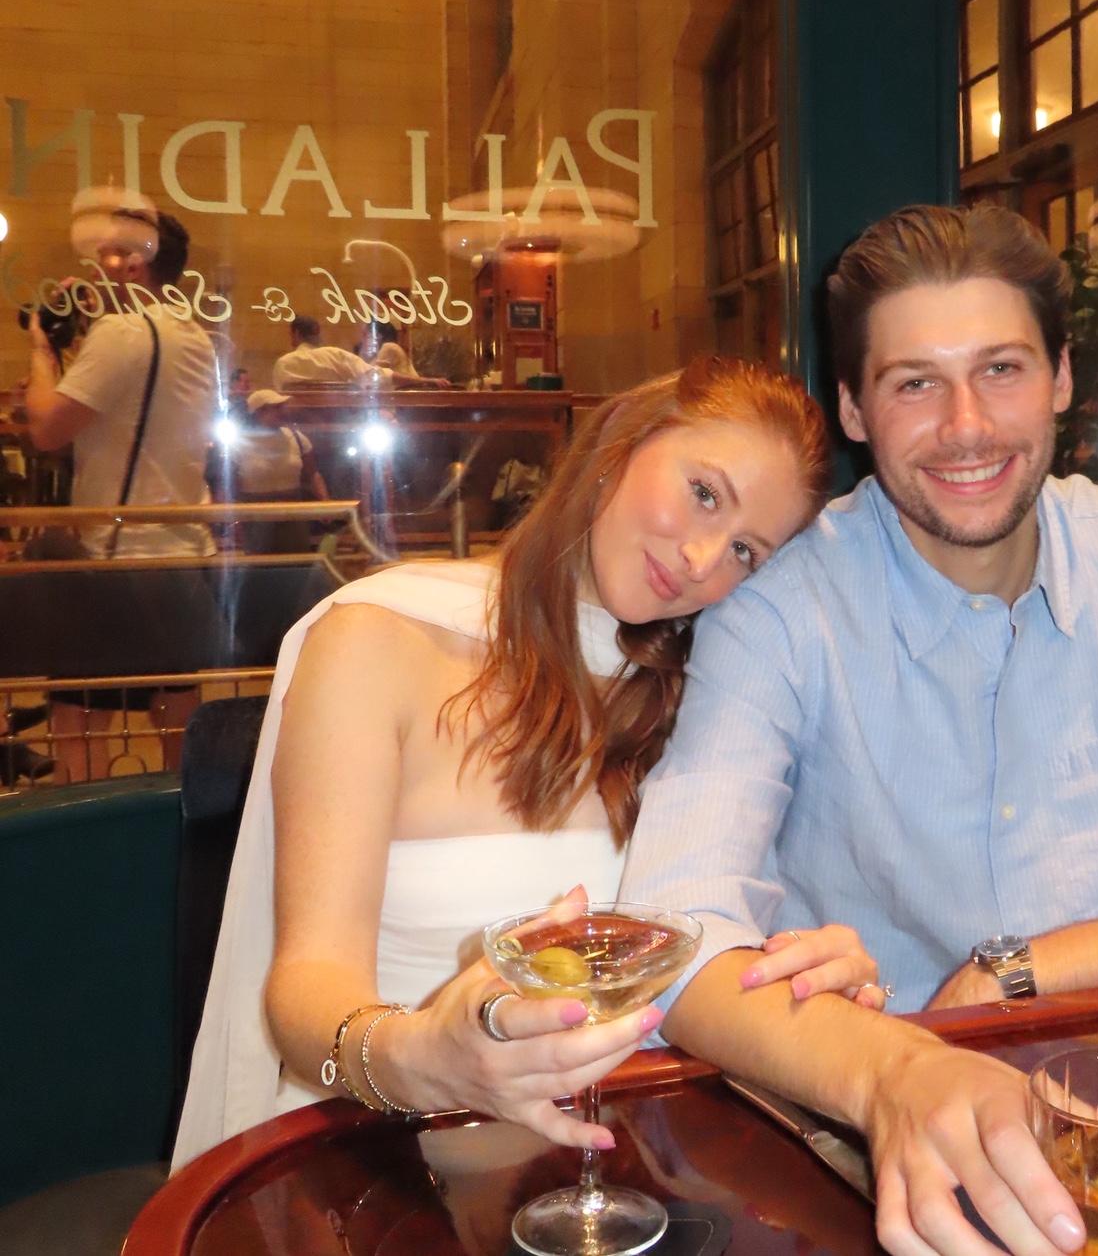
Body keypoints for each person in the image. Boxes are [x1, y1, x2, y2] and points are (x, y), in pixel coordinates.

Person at [619, 204, 1098, 1256]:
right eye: (914, 384)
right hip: (849, 1153)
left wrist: (1021, 971)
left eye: (1002, 370)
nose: (966, 425)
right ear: (854, 409)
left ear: (1061, 378)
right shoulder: (781, 609)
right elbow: (672, 936)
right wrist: (896, 1070)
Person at [173, 357, 887, 1171]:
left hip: (626, 1171)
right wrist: (416, 1056)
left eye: (746, 552)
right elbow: (303, 998)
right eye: (703, 492)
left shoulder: (715, 705)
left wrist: (805, 975)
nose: (702, 559)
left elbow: (715, 970)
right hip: (382, 1169)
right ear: (622, 442)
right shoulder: (379, 642)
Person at [23, 207, 218, 780]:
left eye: (106, 255)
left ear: (135, 264)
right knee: (176, 713)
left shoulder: (123, 333)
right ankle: (185, 825)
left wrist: (42, 351)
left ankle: (90, 833)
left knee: (79, 719)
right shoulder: (193, 336)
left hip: (117, 557)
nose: (94, 267)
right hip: (181, 553)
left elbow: (47, 429)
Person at [230, 388, 329, 553]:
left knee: (296, 558)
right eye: (276, 407)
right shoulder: (238, 444)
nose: (283, 411)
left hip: (292, 512)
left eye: (282, 406)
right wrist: (233, 520)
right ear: (259, 412)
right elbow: (230, 485)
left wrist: (325, 503)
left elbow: (313, 475)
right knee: (259, 561)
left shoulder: (297, 438)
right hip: (255, 516)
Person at [272, 313, 450, 391]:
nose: (362, 339)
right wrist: (427, 380)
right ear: (318, 332)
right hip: (339, 428)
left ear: (296, 334)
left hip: (299, 427)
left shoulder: (283, 364)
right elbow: (378, 376)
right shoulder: (335, 356)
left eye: (365, 334)